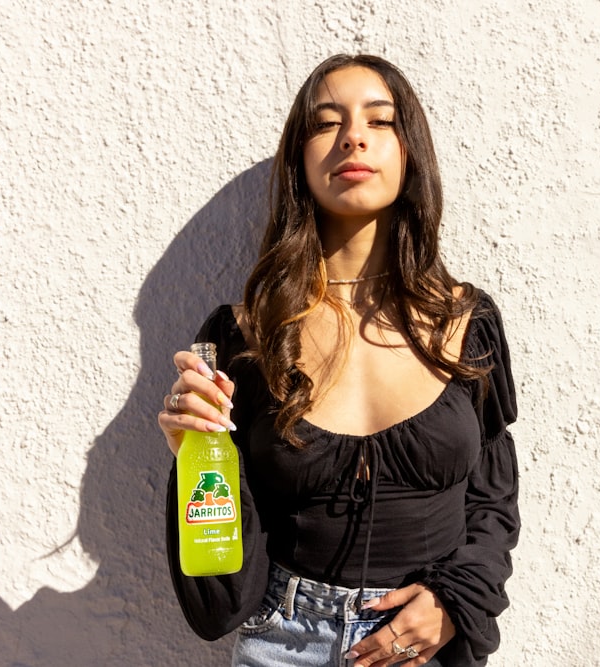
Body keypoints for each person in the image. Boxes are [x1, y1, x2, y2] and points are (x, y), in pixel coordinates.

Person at [159, 53, 519, 667]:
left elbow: (494, 499)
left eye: (380, 121)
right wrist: (191, 455)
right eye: (327, 123)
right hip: (281, 641)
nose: (354, 135)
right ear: (300, 159)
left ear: (411, 154)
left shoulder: (467, 321)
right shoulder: (244, 337)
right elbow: (216, 592)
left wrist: (456, 602)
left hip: (423, 647)